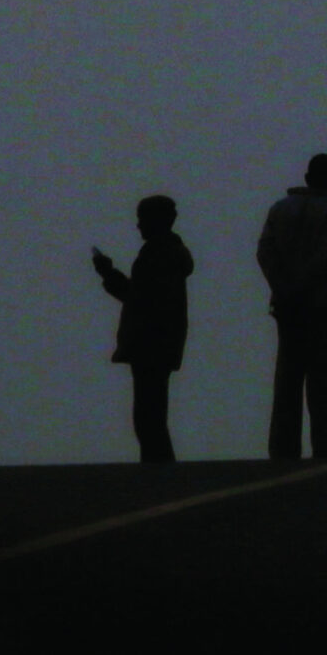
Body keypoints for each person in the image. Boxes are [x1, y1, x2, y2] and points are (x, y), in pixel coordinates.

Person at [256, 152, 327, 460]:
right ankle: (326, 446)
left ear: (305, 178)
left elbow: (264, 252)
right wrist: (302, 284)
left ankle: (283, 448)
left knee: (287, 378)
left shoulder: (280, 209)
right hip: (322, 306)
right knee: (324, 381)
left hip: (287, 307)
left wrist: (282, 286)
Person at [91, 194, 194, 463]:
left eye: (142, 219)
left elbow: (138, 298)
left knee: (148, 414)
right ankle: (160, 468)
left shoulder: (158, 255)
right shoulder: (168, 254)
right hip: (160, 341)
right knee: (152, 411)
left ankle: (159, 471)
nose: (138, 226)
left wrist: (108, 274)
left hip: (151, 342)